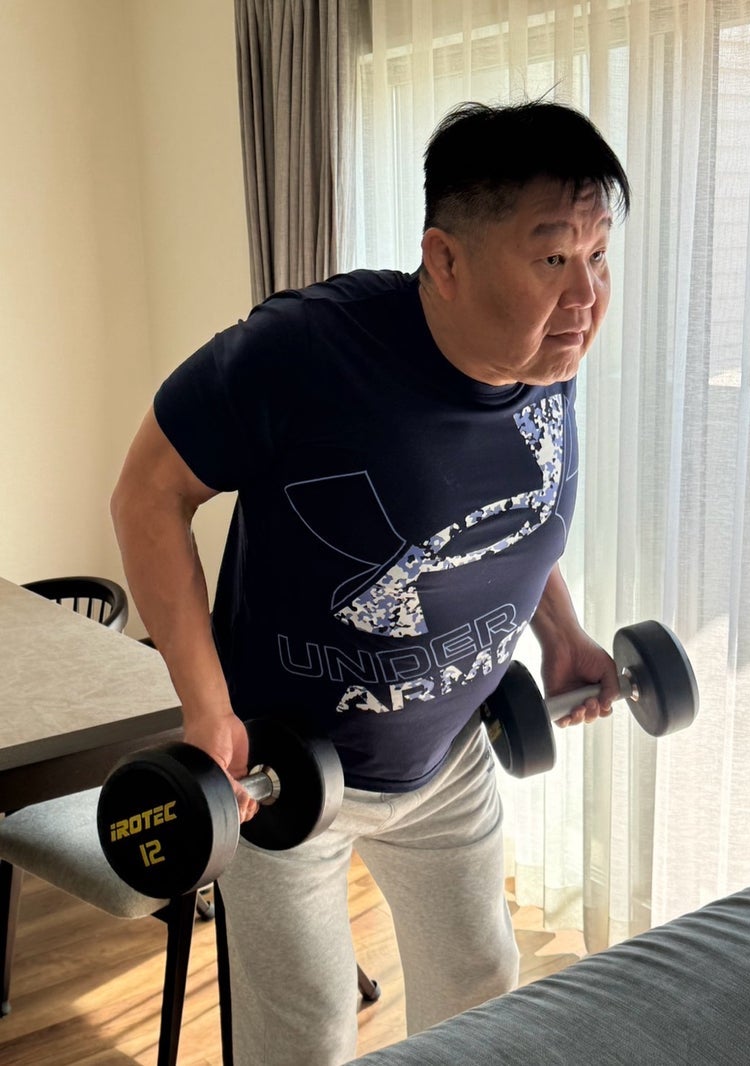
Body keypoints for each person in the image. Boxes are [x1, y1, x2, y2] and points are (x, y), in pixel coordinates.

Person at [111, 99, 630, 1065]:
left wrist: (560, 633)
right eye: (555, 256)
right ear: (445, 259)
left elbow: (516, 512)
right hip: (287, 775)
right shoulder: (305, 351)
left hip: (450, 755)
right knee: (306, 1034)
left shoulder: (547, 354)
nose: (587, 296)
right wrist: (206, 708)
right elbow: (147, 494)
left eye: (600, 255)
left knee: (482, 993)